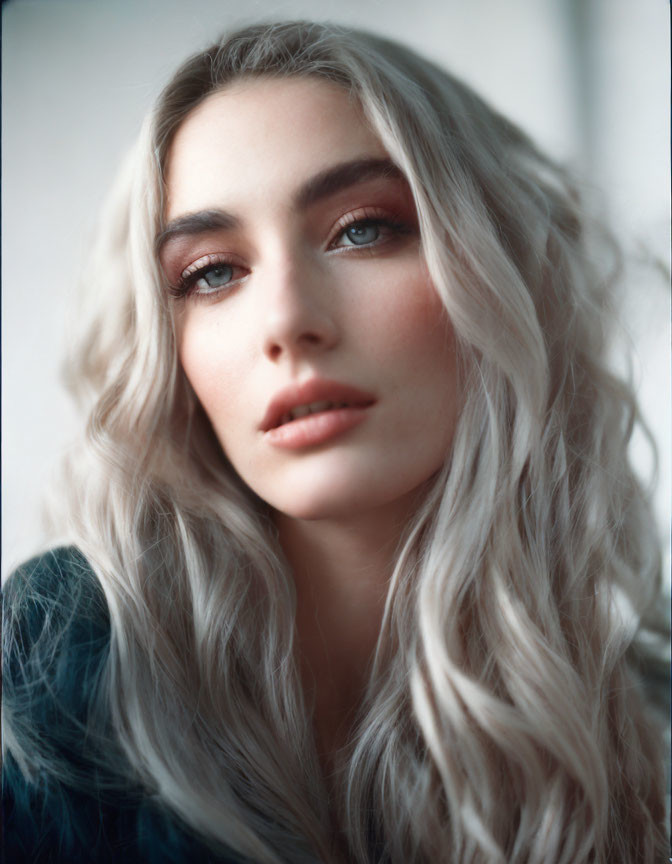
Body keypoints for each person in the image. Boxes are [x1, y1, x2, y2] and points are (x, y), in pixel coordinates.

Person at [2, 20, 667, 864]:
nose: (286, 321)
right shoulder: (72, 664)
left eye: (362, 229)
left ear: (502, 274)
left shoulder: (646, 725)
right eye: (212, 273)